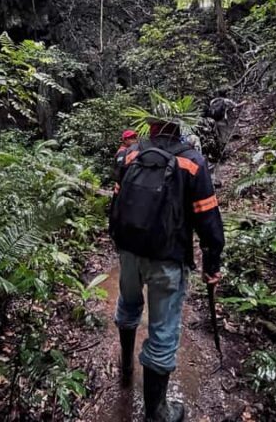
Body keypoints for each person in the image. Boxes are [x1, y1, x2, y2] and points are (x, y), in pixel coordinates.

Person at [110, 117, 224, 422]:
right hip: (167, 259)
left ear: (152, 127)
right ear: (180, 127)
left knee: (128, 304)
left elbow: (116, 201)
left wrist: (119, 246)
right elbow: (208, 218)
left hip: (129, 253)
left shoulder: (129, 154)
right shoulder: (192, 162)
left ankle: (125, 368)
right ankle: (156, 412)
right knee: (162, 332)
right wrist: (211, 265)